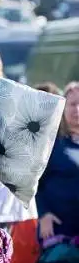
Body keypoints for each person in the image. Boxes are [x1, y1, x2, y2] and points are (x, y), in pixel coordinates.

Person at [36, 81, 79, 242]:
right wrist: (43, 214)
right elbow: (34, 184)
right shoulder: (51, 144)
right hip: (57, 233)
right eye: (72, 104)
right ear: (63, 108)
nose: (77, 110)